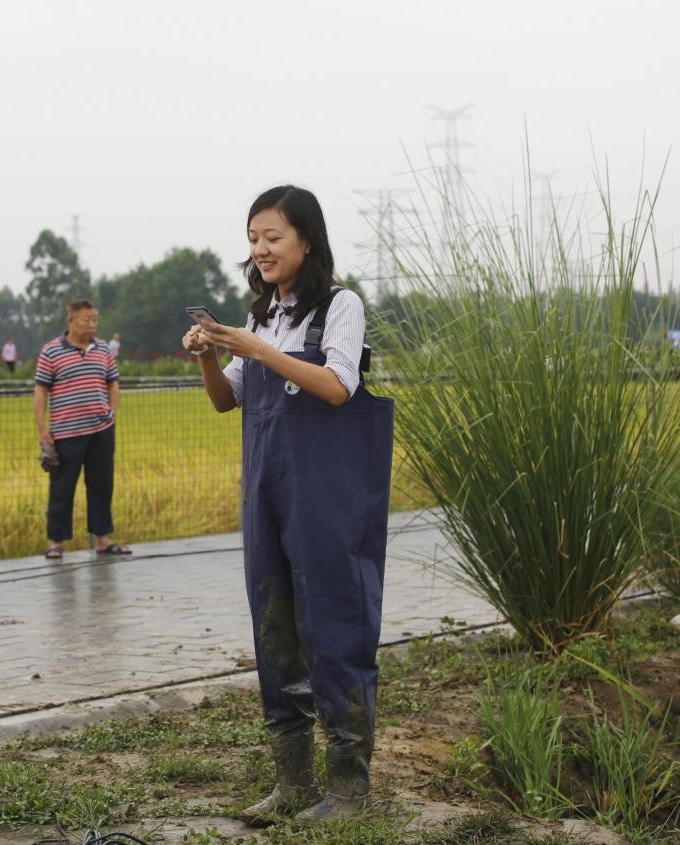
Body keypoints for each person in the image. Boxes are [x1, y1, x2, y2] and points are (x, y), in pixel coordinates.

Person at [182, 185, 393, 823]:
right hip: (268, 494)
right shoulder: (260, 317)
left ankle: (349, 790)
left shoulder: (339, 306)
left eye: (272, 237)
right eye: (253, 238)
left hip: (329, 498)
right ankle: (293, 783)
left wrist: (261, 351)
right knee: (274, 626)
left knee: (335, 622)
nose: (261, 249)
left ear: (306, 240)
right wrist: (211, 356)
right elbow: (227, 400)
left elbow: (339, 385)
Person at [35, 300, 130, 560]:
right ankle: (56, 542)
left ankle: (102, 539)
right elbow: (41, 390)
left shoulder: (103, 349)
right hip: (66, 432)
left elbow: (113, 383)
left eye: (95, 319)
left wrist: (112, 413)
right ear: (71, 321)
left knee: (102, 484)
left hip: (101, 430)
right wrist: (43, 430)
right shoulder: (51, 351)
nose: (92, 324)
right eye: (86, 319)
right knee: (62, 487)